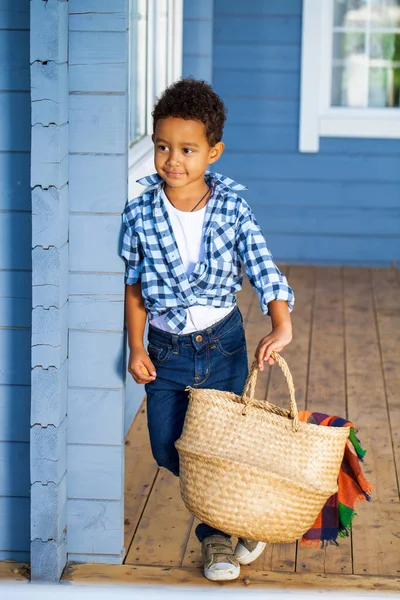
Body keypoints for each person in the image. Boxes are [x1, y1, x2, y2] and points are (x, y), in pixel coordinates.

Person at [121, 78, 294, 582]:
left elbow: (263, 268)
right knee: (166, 445)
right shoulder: (138, 215)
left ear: (213, 152)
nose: (172, 160)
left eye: (187, 149)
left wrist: (280, 323)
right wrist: (136, 346)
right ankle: (243, 510)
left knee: (219, 446)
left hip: (222, 343)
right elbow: (134, 287)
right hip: (166, 349)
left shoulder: (231, 209)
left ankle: (217, 539)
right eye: (162, 147)